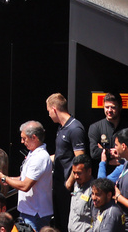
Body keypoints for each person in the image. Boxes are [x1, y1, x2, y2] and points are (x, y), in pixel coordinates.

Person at [0, 121, 54, 230]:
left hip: (36, 214)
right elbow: (23, 178)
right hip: (28, 212)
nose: (22, 142)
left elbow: (25, 186)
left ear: (34, 137)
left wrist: (3, 177)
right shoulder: (32, 154)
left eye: (24, 138)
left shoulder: (39, 158)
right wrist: (5, 179)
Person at [48, 92, 88, 222]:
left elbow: (80, 159)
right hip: (58, 183)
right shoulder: (61, 128)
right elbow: (62, 154)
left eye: (49, 111)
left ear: (54, 109)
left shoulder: (75, 128)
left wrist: (69, 182)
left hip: (68, 186)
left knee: (67, 222)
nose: (49, 115)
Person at [88, 94, 123, 178]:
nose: (109, 110)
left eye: (113, 107)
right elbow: (94, 152)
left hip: (123, 177)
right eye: (107, 107)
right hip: (103, 177)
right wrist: (114, 153)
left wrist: (104, 151)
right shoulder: (95, 127)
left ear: (120, 107)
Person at [67, 154, 95, 232]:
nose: (76, 176)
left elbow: (97, 220)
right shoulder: (77, 184)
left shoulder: (94, 191)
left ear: (89, 171)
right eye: (74, 173)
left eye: (79, 173)